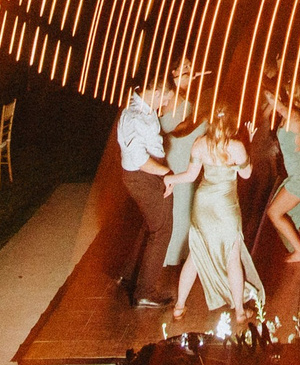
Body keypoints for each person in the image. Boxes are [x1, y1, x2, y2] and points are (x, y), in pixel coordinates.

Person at [167, 108, 266, 319]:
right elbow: (246, 174)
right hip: (225, 205)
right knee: (232, 256)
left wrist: (170, 179)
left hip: (203, 203)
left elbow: (190, 175)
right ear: (233, 124)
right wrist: (247, 141)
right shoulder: (237, 147)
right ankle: (239, 311)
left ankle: (179, 306)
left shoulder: (199, 144)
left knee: (195, 255)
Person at [114, 79, 184, 307]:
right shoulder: (134, 116)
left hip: (149, 173)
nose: (166, 103)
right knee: (162, 230)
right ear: (155, 91)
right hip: (144, 176)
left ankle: (129, 276)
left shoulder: (144, 108)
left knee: (152, 224)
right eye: (164, 98)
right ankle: (144, 292)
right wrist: (167, 173)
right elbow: (140, 160)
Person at [259, 89, 300, 262]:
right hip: (298, 176)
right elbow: (264, 115)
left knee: (274, 212)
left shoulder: (295, 115)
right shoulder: (288, 116)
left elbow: (276, 104)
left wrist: (267, 88)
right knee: (288, 216)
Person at [161, 63, 204, 267]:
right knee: (179, 208)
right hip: (177, 155)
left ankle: (180, 254)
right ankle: (169, 257)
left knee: (186, 208)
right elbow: (174, 129)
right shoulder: (171, 96)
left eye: (190, 65)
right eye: (185, 66)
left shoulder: (185, 95)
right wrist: (202, 120)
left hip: (186, 154)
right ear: (174, 72)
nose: (190, 69)